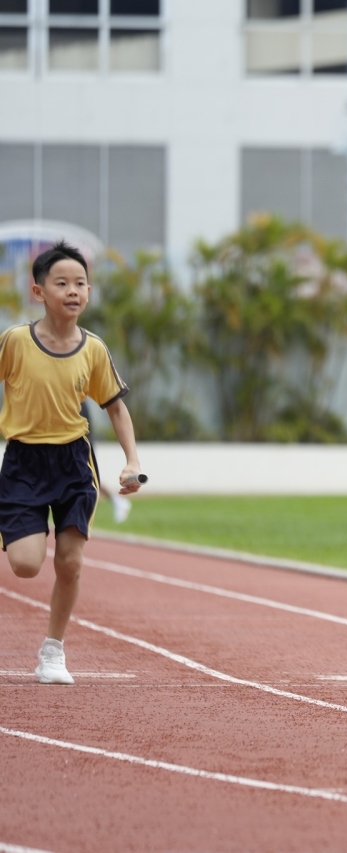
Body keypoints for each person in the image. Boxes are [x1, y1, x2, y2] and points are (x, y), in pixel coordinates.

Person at [0, 241, 143, 685]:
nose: (73, 291)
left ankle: (53, 651)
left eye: (80, 283)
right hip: (23, 461)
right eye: (61, 283)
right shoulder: (15, 341)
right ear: (39, 291)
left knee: (70, 562)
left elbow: (115, 407)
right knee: (25, 564)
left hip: (74, 463)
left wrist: (132, 461)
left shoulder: (93, 349)